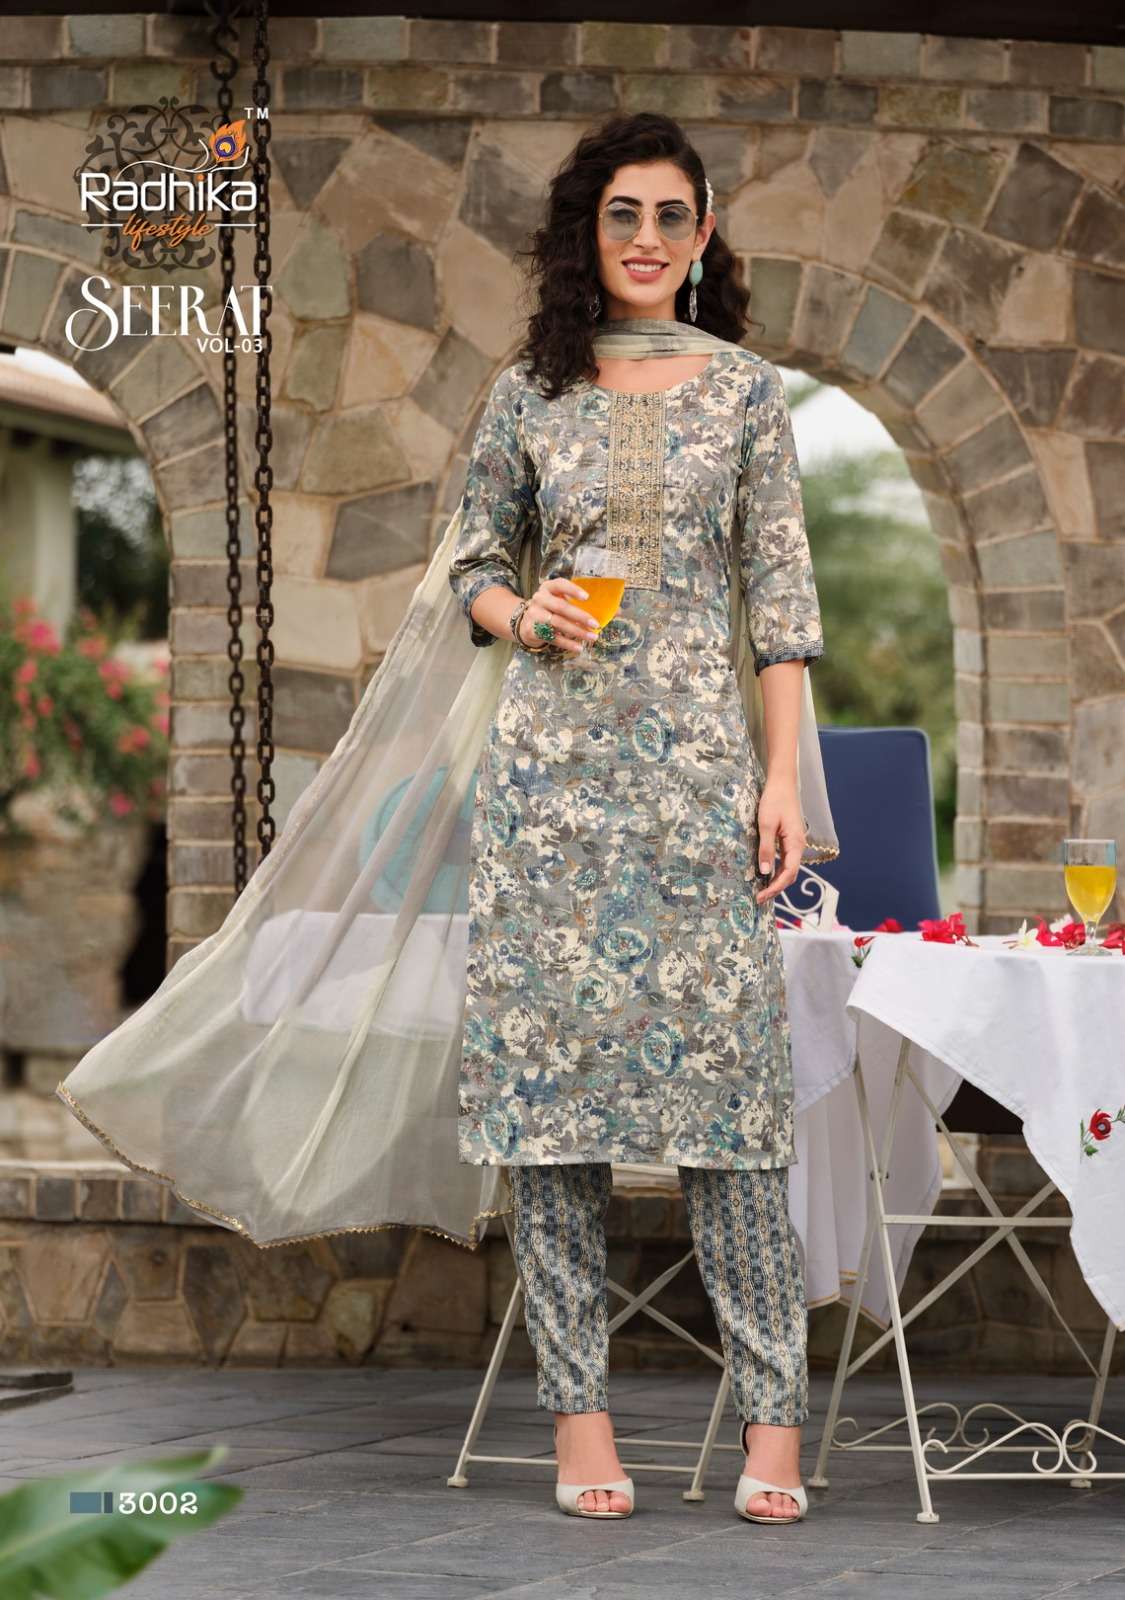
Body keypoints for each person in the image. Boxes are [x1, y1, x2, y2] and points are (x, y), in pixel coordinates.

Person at [446, 112, 824, 1523]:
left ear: (703, 234)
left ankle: (773, 1423)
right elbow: (473, 559)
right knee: (555, 1121)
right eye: (622, 214)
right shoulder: (527, 392)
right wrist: (516, 608)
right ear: (586, 234)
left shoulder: (750, 396)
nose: (648, 239)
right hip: (550, 793)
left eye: (671, 215)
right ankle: (579, 1421)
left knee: (733, 1113)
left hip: (695, 789)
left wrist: (780, 782)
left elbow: (781, 610)